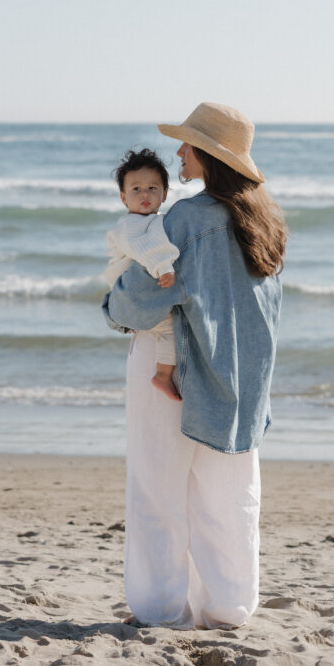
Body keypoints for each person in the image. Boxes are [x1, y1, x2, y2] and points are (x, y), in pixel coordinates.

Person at [102, 102, 287, 630]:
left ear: (207, 153)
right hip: (241, 377)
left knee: (157, 490)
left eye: (187, 144)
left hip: (174, 370)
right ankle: (227, 608)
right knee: (229, 496)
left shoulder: (186, 218)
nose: (179, 152)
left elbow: (137, 303)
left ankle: (161, 610)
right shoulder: (266, 220)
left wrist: (112, 305)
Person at [103, 148, 181, 400]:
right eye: (136, 189)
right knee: (170, 329)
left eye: (152, 188)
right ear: (124, 198)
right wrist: (164, 268)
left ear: (165, 194)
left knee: (166, 327)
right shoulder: (128, 227)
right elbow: (144, 249)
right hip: (130, 296)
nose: (144, 194)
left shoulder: (156, 221)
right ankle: (163, 375)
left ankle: (161, 372)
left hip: (142, 297)